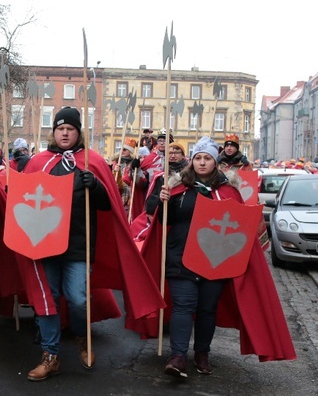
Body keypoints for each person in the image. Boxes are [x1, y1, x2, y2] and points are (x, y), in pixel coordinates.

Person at [22, 107, 165, 380]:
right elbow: (24, 196)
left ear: (78, 133)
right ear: (54, 132)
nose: (65, 133)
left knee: (77, 298)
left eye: (71, 129)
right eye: (60, 128)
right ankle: (50, 354)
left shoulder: (92, 161)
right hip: (45, 243)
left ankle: (81, 335)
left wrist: (97, 186)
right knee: (48, 298)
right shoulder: (38, 161)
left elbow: (107, 204)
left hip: (79, 244)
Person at [142, 136, 295, 378]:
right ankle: (178, 356)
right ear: (192, 162)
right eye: (198, 158)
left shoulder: (227, 191)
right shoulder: (178, 187)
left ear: (215, 162)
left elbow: (240, 226)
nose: (202, 163)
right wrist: (164, 203)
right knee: (183, 307)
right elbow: (164, 222)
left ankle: (202, 353)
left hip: (215, 260)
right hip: (180, 257)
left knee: (206, 309)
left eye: (207, 158)